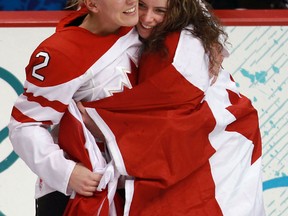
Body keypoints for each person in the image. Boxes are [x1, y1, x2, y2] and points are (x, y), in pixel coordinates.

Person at [61, 0, 266, 215]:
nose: (148, 19)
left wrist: (100, 119)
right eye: (142, 6)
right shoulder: (110, 22)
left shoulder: (183, 45)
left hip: (225, 145)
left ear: (179, 10)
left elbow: (174, 108)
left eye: (160, 11)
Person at [8, 0, 140, 215]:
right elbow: (25, 126)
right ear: (93, 5)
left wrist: (209, 42)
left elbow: (190, 13)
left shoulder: (145, 26)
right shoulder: (60, 52)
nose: (132, 1)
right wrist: (67, 173)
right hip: (79, 191)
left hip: (138, 185)